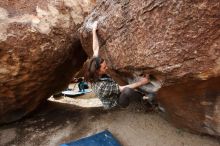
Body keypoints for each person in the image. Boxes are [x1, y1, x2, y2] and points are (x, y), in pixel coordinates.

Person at [86, 21, 150, 109]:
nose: (107, 67)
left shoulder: (94, 66)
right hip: (114, 105)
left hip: (113, 92)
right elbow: (122, 89)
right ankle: (143, 103)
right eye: (104, 67)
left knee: (131, 90)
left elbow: (95, 49)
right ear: (97, 70)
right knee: (127, 91)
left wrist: (93, 30)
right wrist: (142, 82)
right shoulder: (101, 87)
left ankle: (138, 97)